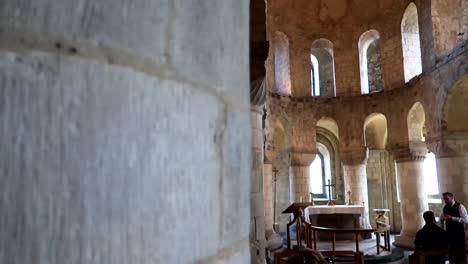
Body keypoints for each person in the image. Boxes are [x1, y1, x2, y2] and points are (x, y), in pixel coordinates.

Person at [440, 192, 468, 261]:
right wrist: (442, 219)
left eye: (447, 199)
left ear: (452, 198)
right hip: (449, 233)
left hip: (459, 234)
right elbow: (442, 217)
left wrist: (452, 218)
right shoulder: (445, 207)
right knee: (452, 253)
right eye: (444, 199)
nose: (445, 201)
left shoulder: (460, 207)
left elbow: (466, 220)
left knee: (460, 253)